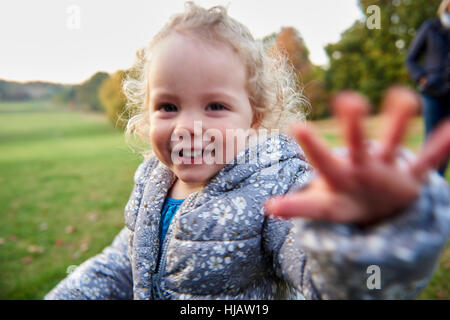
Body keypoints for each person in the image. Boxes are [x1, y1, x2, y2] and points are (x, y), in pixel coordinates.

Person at [45, 2, 450, 300]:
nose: (188, 125)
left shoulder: (276, 190)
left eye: (215, 106)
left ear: (253, 117)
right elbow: (124, 262)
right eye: (168, 106)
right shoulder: (152, 183)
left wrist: (371, 230)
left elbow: (323, 280)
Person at [406, 0, 450, 177]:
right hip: (432, 92)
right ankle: (424, 180)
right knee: (431, 139)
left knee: (447, 141)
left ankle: (437, 180)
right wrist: (423, 79)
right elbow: (410, 59)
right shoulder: (430, 27)